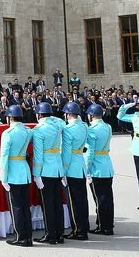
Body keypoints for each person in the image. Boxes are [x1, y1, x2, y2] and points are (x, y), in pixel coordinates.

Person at [31, 102, 66, 244]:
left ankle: (50, 234)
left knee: (48, 204)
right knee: (57, 203)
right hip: (58, 168)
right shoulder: (57, 126)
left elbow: (38, 155)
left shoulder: (38, 130)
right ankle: (60, 233)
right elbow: (62, 121)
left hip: (45, 170)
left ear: (39, 115)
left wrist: (36, 174)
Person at [0, 105, 33, 247]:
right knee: (25, 206)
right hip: (24, 171)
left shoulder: (8, 133)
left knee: (17, 207)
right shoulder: (27, 131)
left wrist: (3, 177)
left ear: (10, 117)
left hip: (13, 172)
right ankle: (28, 236)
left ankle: (21, 237)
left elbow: (4, 156)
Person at [83, 103, 115, 235]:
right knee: (108, 197)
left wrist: (87, 168)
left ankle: (103, 226)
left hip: (96, 167)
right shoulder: (108, 126)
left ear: (91, 116)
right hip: (107, 165)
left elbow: (89, 152)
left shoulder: (92, 130)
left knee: (99, 199)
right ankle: (108, 224)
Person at [61, 101, 89, 240]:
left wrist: (63, 170)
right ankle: (84, 227)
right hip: (81, 165)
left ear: (68, 114)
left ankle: (78, 230)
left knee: (73, 201)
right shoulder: (84, 126)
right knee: (82, 199)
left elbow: (66, 153)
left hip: (71, 167)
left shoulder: (68, 129)